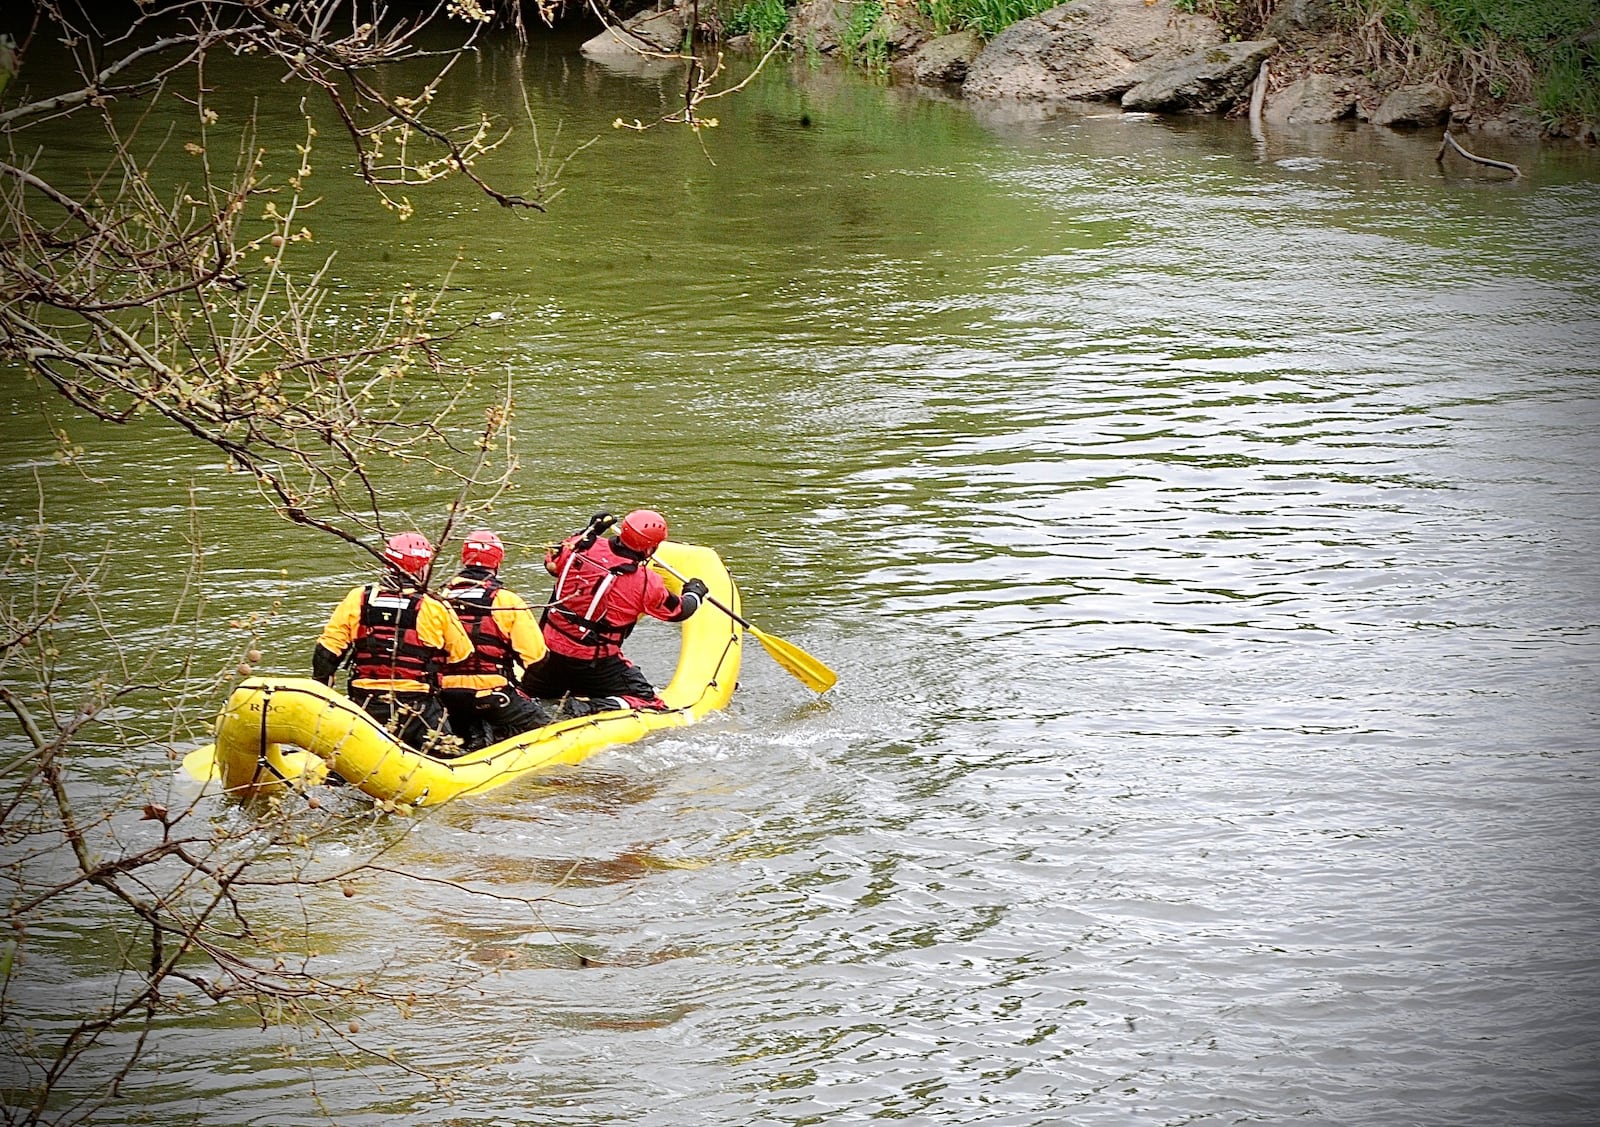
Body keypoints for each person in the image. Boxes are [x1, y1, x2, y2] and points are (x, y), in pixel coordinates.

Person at [521, 509, 709, 715]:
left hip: (547, 657)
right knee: (647, 701)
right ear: (650, 549)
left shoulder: (579, 546)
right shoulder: (645, 581)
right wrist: (694, 593)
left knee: (529, 693)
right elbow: (678, 611)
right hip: (593, 665)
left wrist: (590, 530)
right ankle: (588, 707)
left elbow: (552, 561)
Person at [312, 531, 473, 756]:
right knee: (450, 754)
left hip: (364, 704)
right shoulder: (435, 606)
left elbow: (325, 655)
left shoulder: (357, 598)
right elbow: (462, 654)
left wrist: (324, 699)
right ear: (422, 568)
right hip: (417, 709)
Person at [437, 529, 554, 751]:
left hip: (446, 698)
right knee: (550, 733)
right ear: (497, 562)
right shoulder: (507, 601)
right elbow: (536, 658)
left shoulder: (435, 600)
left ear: (464, 558)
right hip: (494, 697)